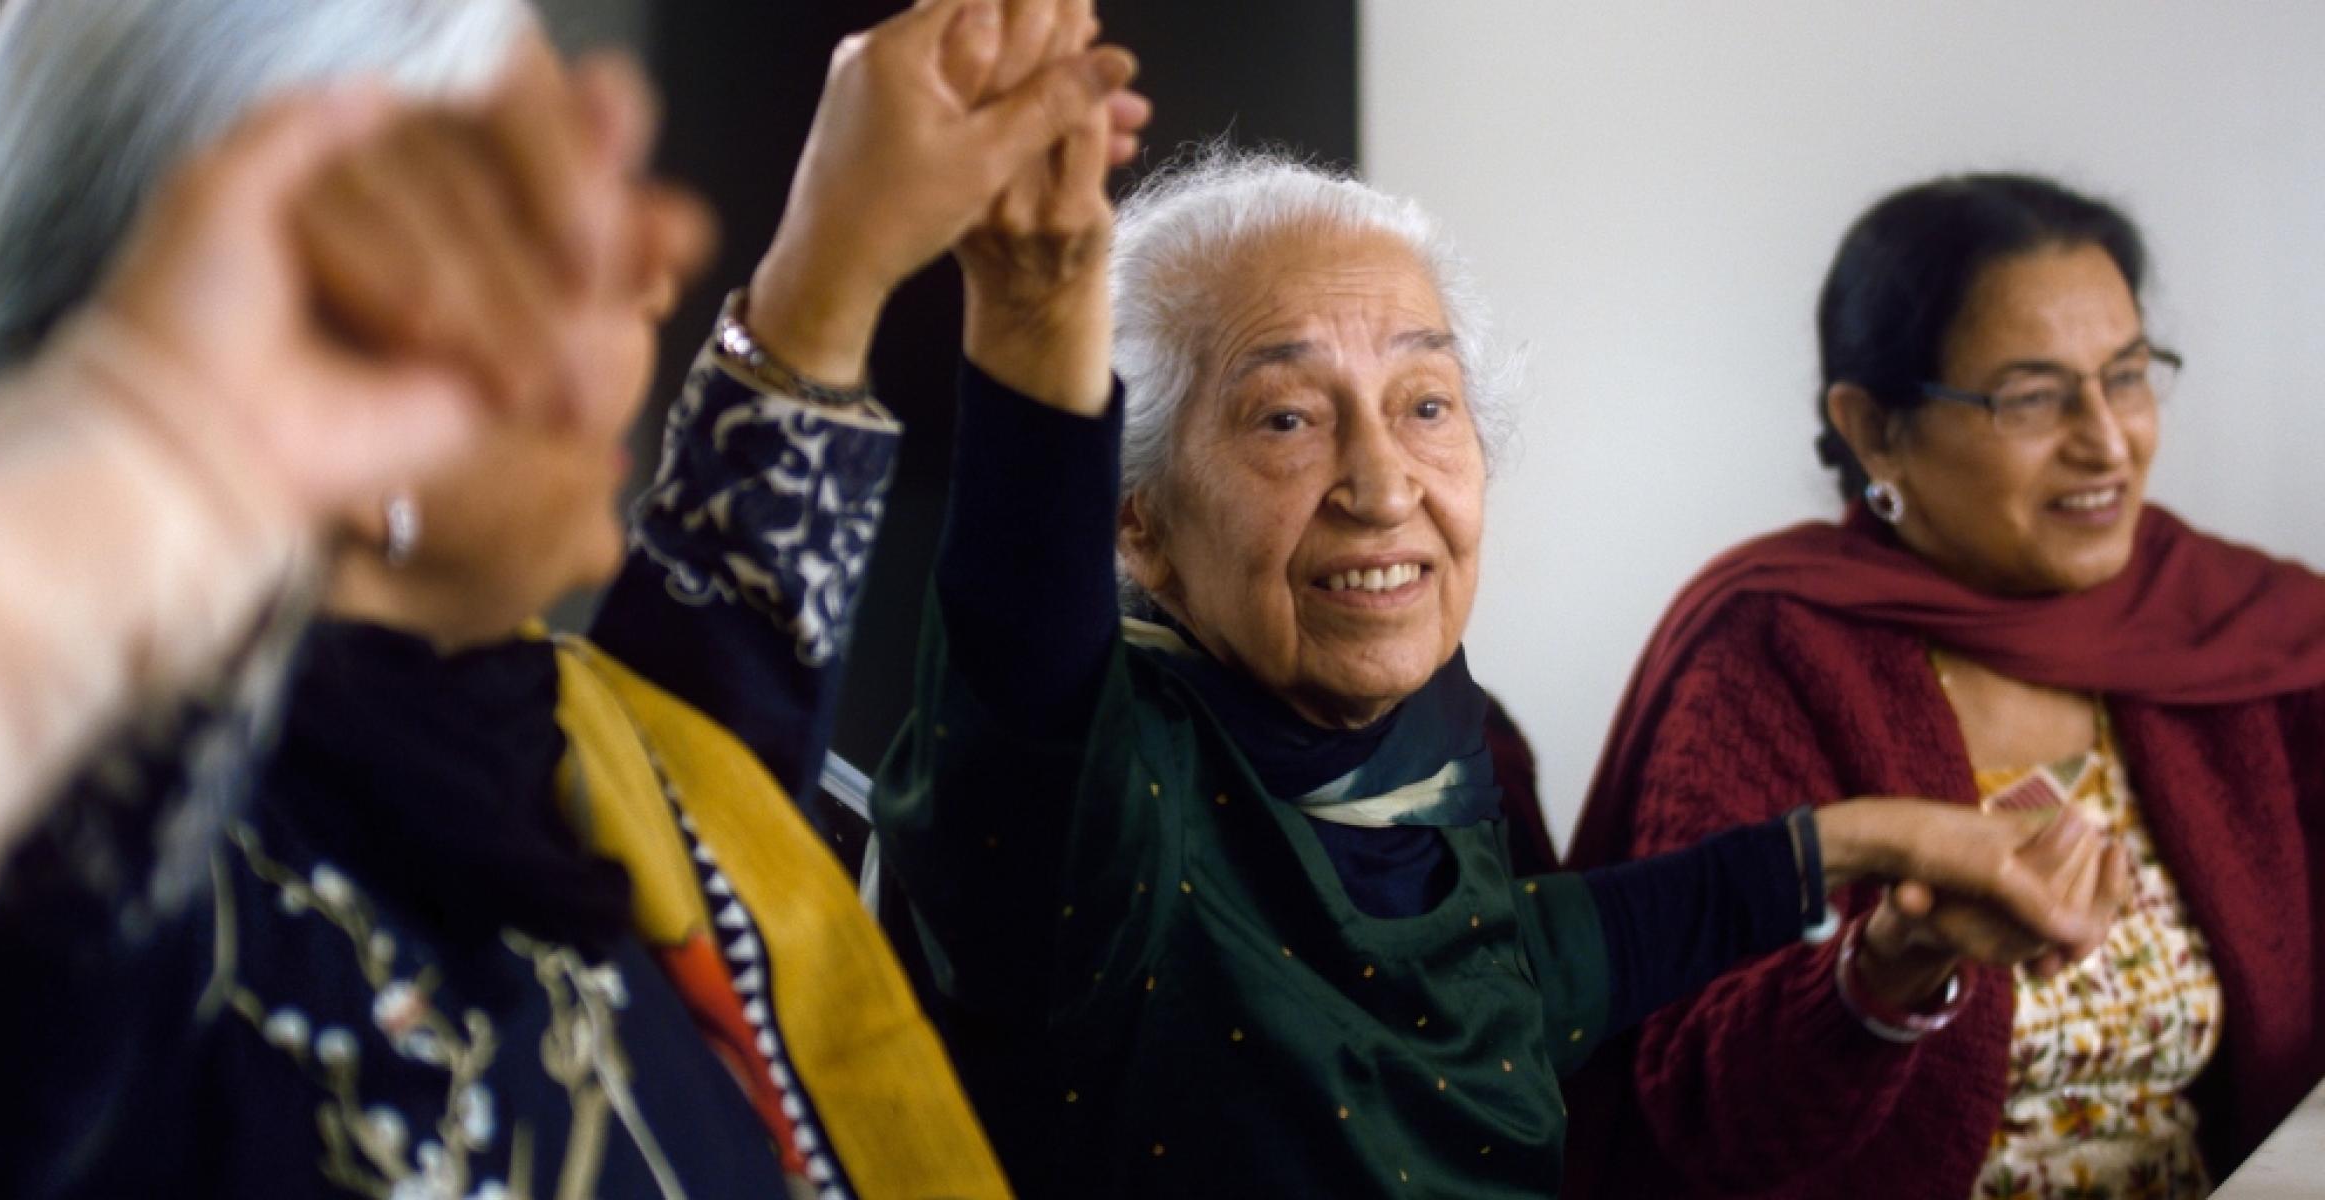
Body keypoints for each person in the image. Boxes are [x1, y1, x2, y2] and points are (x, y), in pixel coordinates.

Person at [0, 0, 1147, 1196]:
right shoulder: (97, 886)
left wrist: (876, 271)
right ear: (310, 308)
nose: (648, 278)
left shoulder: (488, 748)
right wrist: (176, 442)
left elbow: (704, 735)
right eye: (537, 224)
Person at [870, 141, 2132, 1197]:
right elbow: (1014, 682)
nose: (1383, 488)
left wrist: (1879, 844)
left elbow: (1502, 968)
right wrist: (1036, 326)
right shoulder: (1098, 801)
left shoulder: (1432, 744)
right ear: (1135, 518)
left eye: (1425, 404)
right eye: (1288, 418)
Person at [1564, 174, 2325, 1199]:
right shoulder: (1771, 658)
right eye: (2033, 397)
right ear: (1875, 428)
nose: (2107, 440)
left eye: (2128, 376)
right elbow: (1697, 1114)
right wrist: (1882, 974)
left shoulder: (2233, 631)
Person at [0, 82, 583, 990]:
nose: (649, 277)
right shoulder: (192, 920)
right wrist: (163, 453)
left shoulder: (515, 729)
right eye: (524, 244)